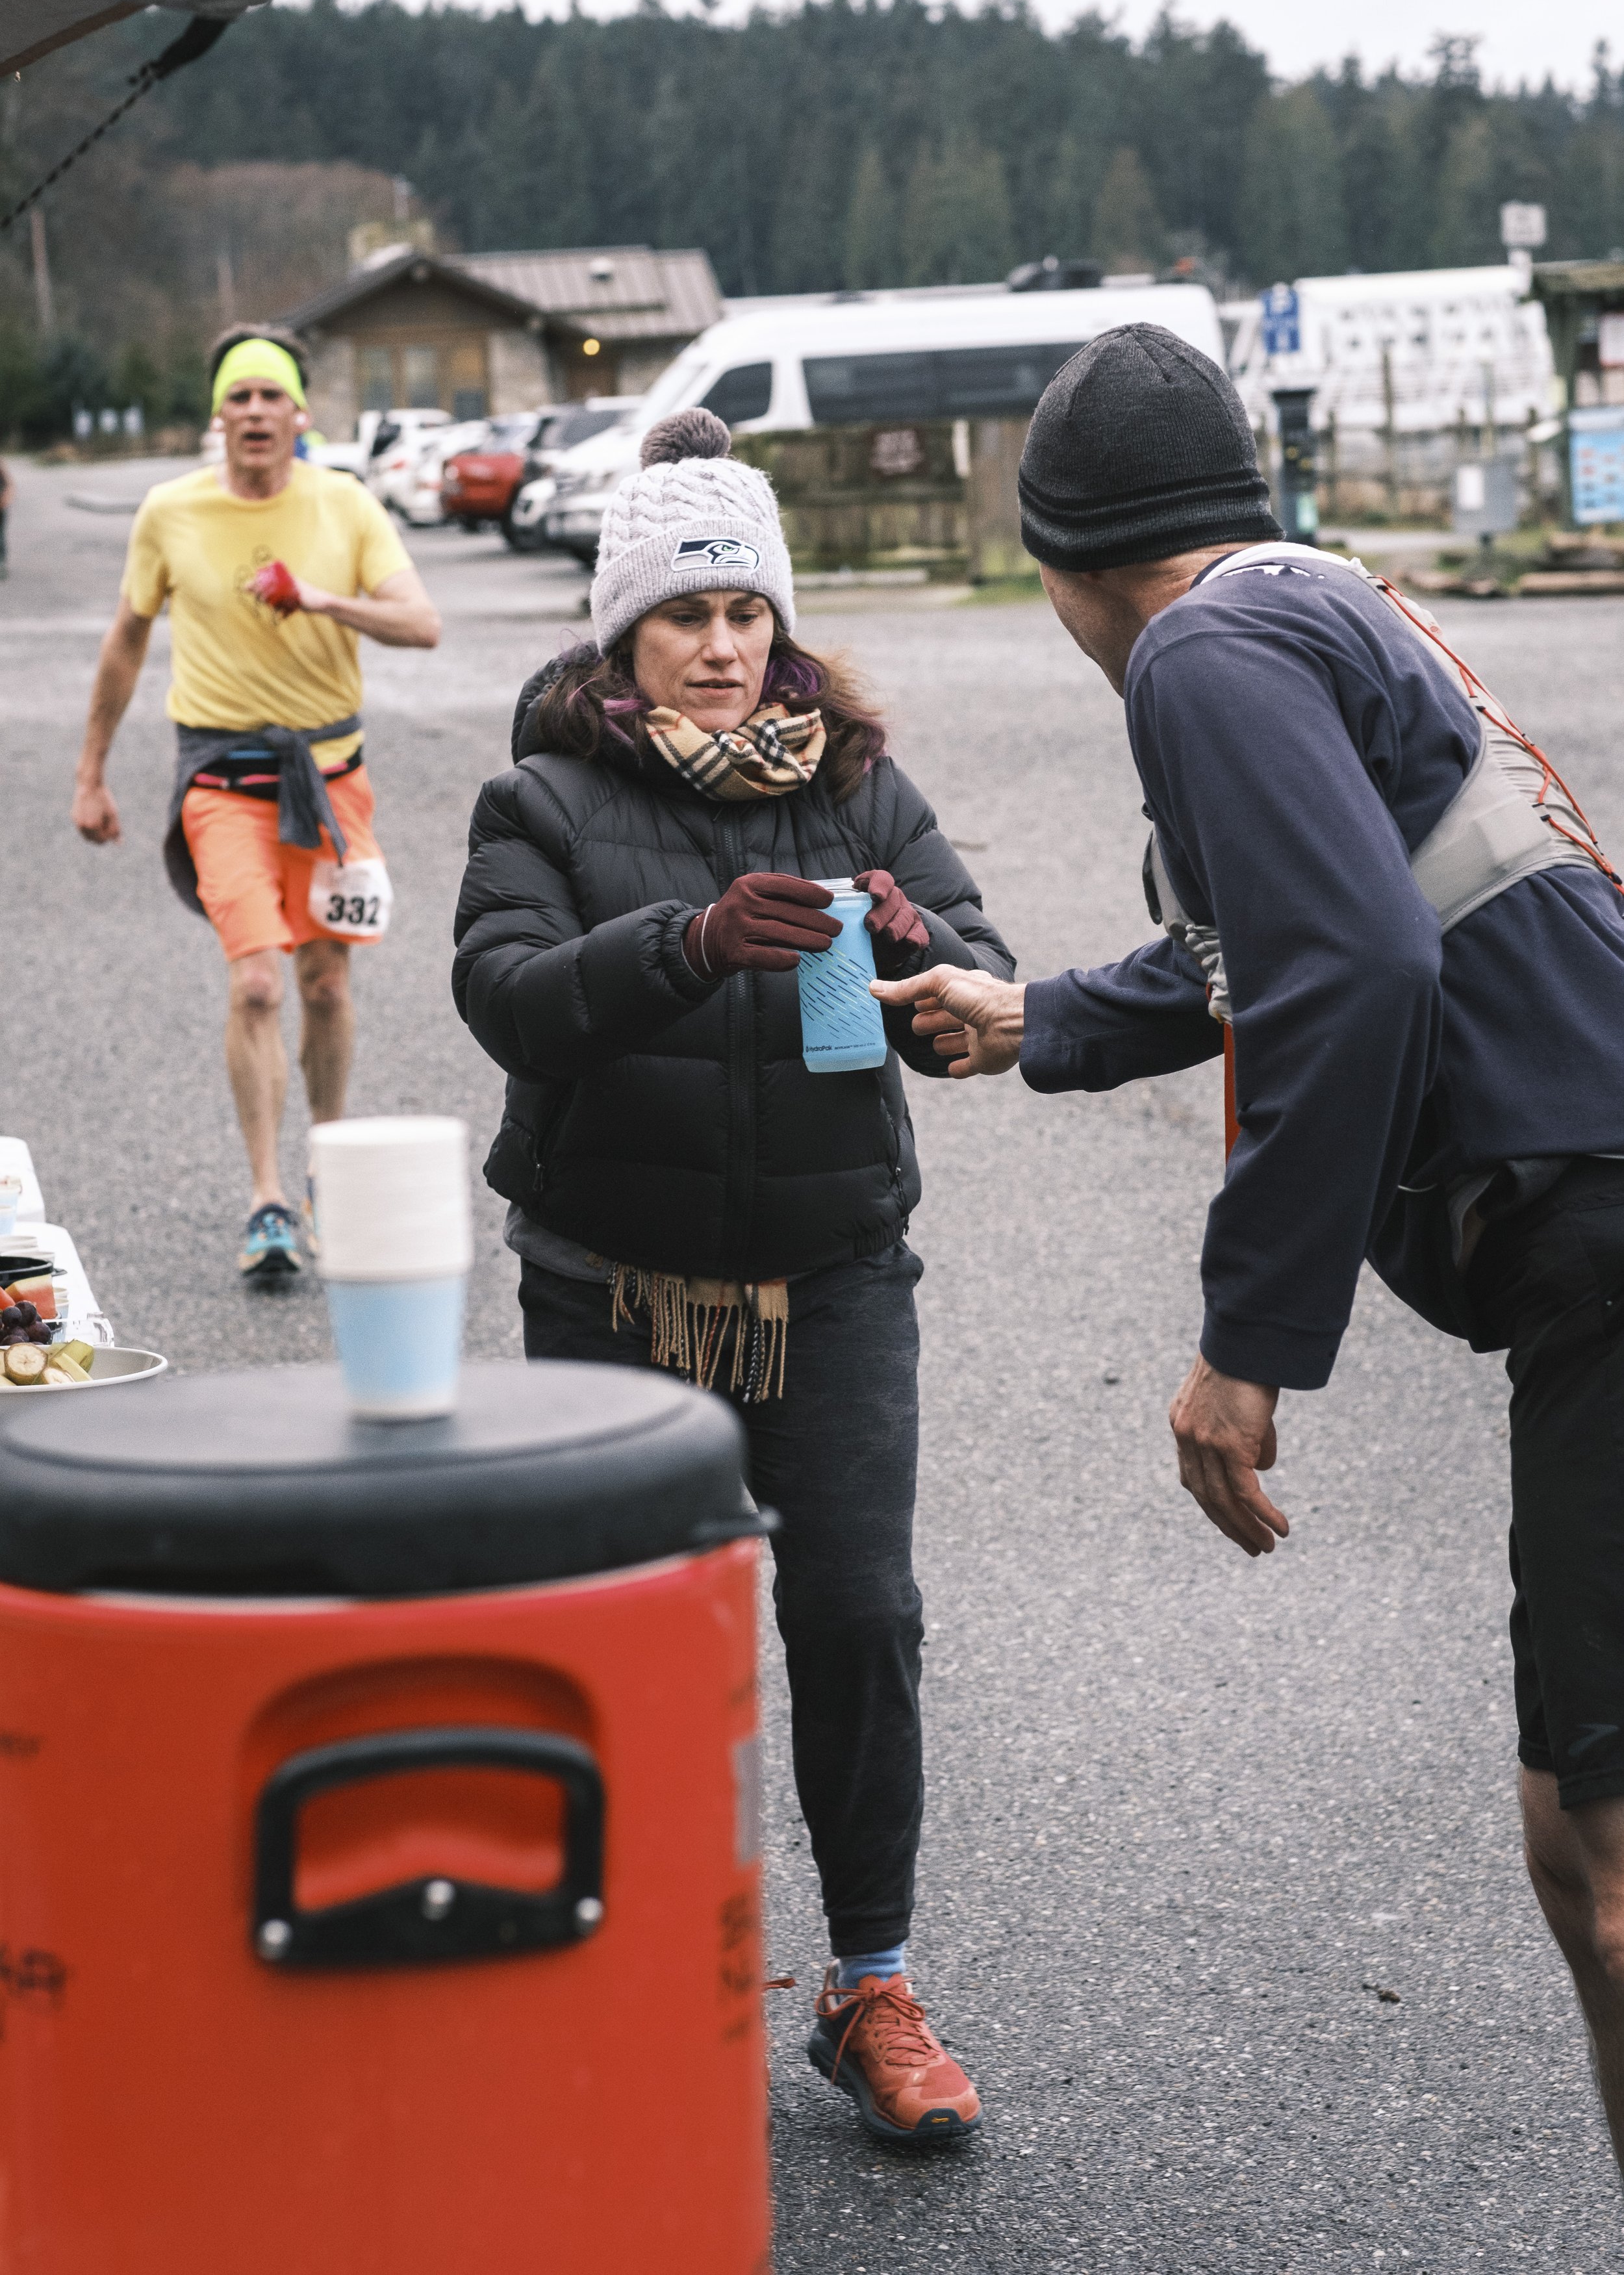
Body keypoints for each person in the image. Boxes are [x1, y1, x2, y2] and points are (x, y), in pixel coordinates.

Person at [875, 320, 1624, 2170]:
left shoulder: (1195, 653)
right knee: (1578, 1846)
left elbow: (1351, 971)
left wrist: (1246, 1342)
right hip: (1591, 1225)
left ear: (1062, 567)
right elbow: (1294, 938)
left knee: (1609, 1875)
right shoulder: (1315, 597)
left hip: (1600, 1228)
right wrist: (1033, 1015)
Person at [452, 407, 1013, 2146]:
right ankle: (614, 1979)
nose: (720, 646)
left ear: (781, 627)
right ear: (621, 631)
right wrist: (685, 942)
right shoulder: (541, 795)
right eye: (686, 616)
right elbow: (508, 994)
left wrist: (930, 956)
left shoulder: (856, 783)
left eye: (746, 613)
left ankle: (871, 1981)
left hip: (833, 1274)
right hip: (614, 1285)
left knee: (859, 1618)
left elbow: (979, 970)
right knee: (620, 1642)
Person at [70, 325, 440, 1278]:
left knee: (325, 982)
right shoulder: (170, 511)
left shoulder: (346, 504)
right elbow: (126, 639)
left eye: (272, 396)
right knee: (258, 980)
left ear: (299, 414)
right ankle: (268, 1195)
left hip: (331, 782)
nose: (255, 412)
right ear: (219, 416)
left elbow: (421, 622)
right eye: (239, 397)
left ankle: (330, 1165)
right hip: (222, 782)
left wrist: (323, 599)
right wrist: (91, 772)